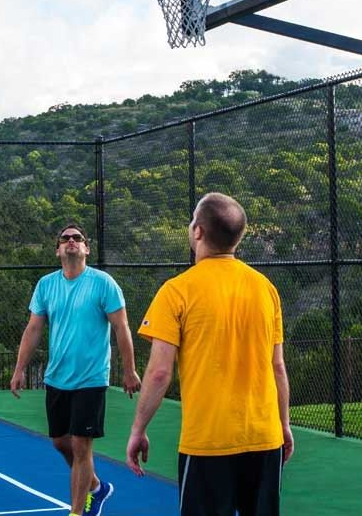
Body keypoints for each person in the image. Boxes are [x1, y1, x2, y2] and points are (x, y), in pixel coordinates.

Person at [125, 192, 293, 516]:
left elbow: (160, 373)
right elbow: (277, 367)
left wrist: (138, 430)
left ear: (198, 231)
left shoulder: (176, 290)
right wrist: (283, 424)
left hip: (208, 444)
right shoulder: (265, 288)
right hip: (265, 439)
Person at [10, 223, 141, 516]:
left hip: (91, 379)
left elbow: (121, 327)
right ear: (58, 249)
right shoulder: (46, 285)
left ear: (86, 248)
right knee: (60, 442)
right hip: (57, 378)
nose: (71, 242)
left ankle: (77, 512)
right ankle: (96, 485)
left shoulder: (103, 283)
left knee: (82, 448)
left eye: (77, 238)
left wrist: (129, 370)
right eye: (65, 238)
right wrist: (19, 369)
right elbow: (33, 329)